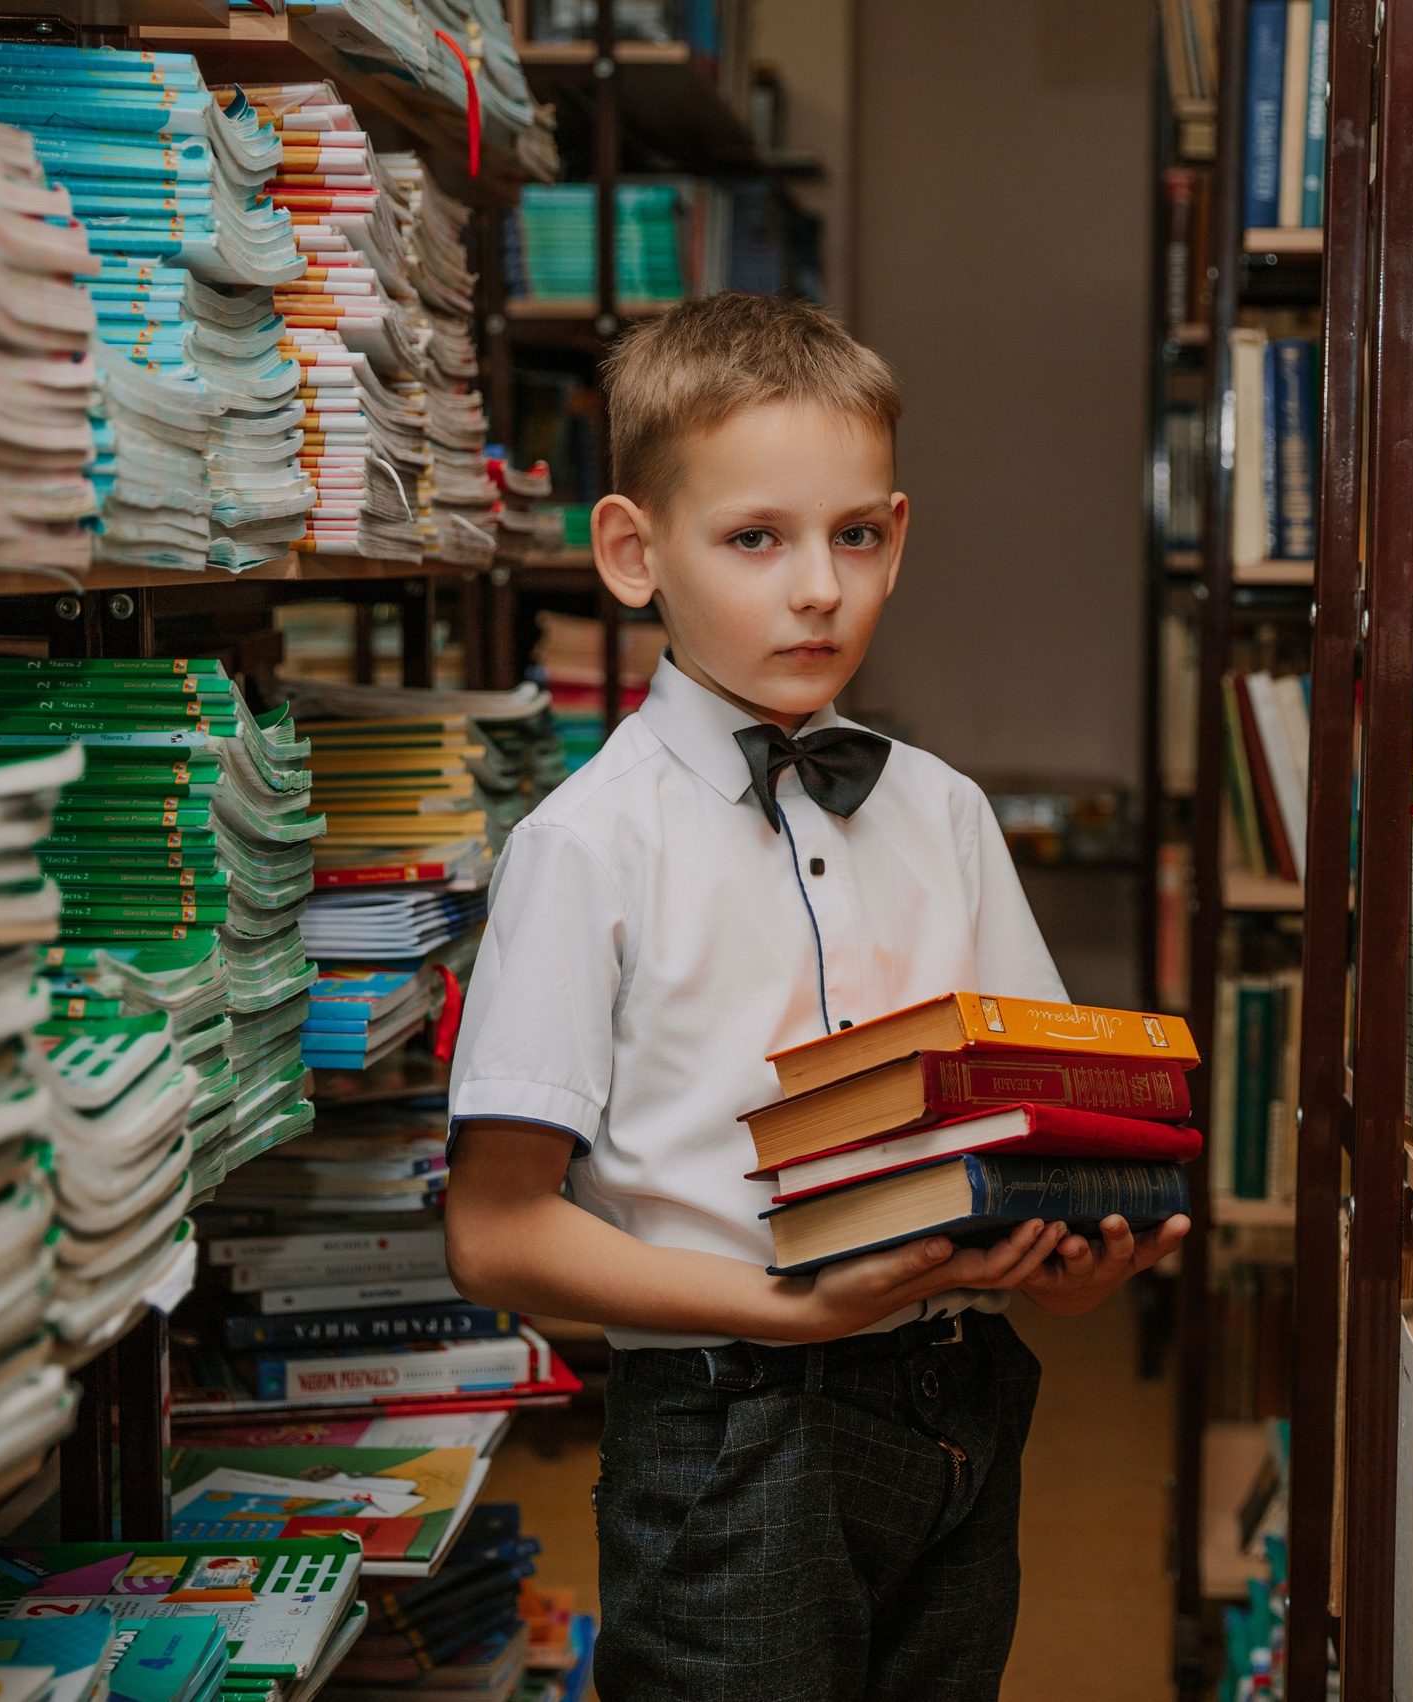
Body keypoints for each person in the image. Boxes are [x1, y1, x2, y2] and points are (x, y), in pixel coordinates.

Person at [443, 292, 1191, 1701]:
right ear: (631, 551)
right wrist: (781, 1309)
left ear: (898, 537)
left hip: (961, 1393)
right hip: (734, 1425)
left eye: (854, 535)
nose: (816, 588)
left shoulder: (947, 811)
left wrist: (1085, 1247)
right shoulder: (585, 844)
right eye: (754, 539)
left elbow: (1036, 1112)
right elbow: (494, 1234)